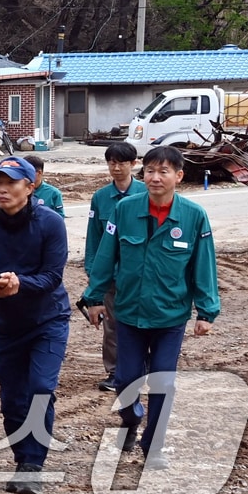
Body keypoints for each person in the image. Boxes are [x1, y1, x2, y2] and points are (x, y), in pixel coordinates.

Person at [80, 146, 218, 470]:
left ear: (179, 176)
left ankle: (153, 446)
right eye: (151, 171)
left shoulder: (194, 216)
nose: (155, 178)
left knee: (163, 382)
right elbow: (105, 258)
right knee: (126, 379)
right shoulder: (125, 210)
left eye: (164, 171)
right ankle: (131, 419)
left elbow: (203, 266)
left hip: (170, 316)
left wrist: (207, 311)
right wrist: (95, 297)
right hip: (128, 313)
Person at [0, 156, 69, 494]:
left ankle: (33, 466)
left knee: (40, 387)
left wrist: (18, 283)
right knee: (12, 399)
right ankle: (22, 458)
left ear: (30, 185)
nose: (2, 189)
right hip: (5, 324)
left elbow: (53, 276)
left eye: (11, 182)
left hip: (47, 319)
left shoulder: (50, 223)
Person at [85, 142, 145, 393]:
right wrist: (93, 272)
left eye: (121, 162)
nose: (116, 167)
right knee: (112, 325)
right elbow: (94, 237)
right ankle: (115, 372)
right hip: (110, 274)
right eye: (111, 162)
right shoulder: (100, 197)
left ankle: (143, 369)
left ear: (133, 164)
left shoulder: (145, 193)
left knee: (143, 322)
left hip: (140, 274)